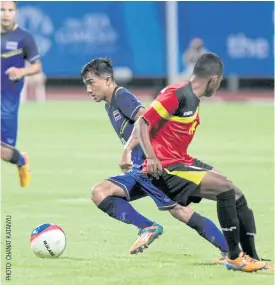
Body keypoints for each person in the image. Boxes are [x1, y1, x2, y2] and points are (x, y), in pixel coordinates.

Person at [126, 52, 272, 272]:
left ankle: (253, 257)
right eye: (219, 82)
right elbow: (142, 122)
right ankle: (234, 257)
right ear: (213, 79)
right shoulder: (178, 94)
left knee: (236, 193)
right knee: (224, 189)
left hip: (180, 160)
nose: (219, 86)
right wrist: (152, 156)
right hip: (166, 167)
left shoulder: (192, 97)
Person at [81, 57, 229, 258]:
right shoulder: (110, 104)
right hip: (139, 169)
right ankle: (147, 227)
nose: (88, 89)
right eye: (86, 84)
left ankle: (231, 251)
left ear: (107, 80)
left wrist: (131, 150)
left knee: (180, 211)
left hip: (151, 167)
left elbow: (145, 117)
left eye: (91, 83)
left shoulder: (121, 96)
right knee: (100, 192)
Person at [1, 1, 42, 146]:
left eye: (10, 10)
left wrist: (21, 72)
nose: (5, 13)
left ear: (16, 13)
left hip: (9, 97)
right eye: (2, 9)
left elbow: (37, 67)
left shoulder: (24, 37)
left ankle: (22, 162)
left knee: (7, 148)